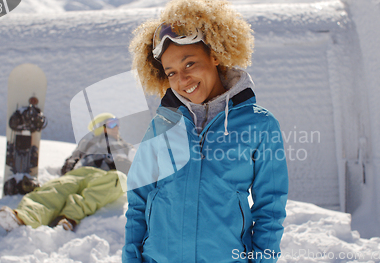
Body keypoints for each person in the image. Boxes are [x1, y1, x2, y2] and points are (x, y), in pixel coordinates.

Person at [123, 0, 289, 262]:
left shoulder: (260, 126)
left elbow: (271, 207)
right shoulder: (161, 125)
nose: (182, 79)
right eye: (172, 72)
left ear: (215, 54)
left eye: (189, 63)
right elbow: (138, 200)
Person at [0, 113, 133, 232]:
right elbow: (73, 158)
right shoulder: (87, 142)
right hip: (81, 172)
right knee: (56, 189)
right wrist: (69, 165)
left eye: (117, 123)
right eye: (112, 123)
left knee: (117, 180)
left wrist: (128, 164)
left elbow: (139, 160)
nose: (117, 127)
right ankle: (25, 217)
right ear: (100, 127)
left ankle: (67, 218)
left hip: (107, 174)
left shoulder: (125, 145)